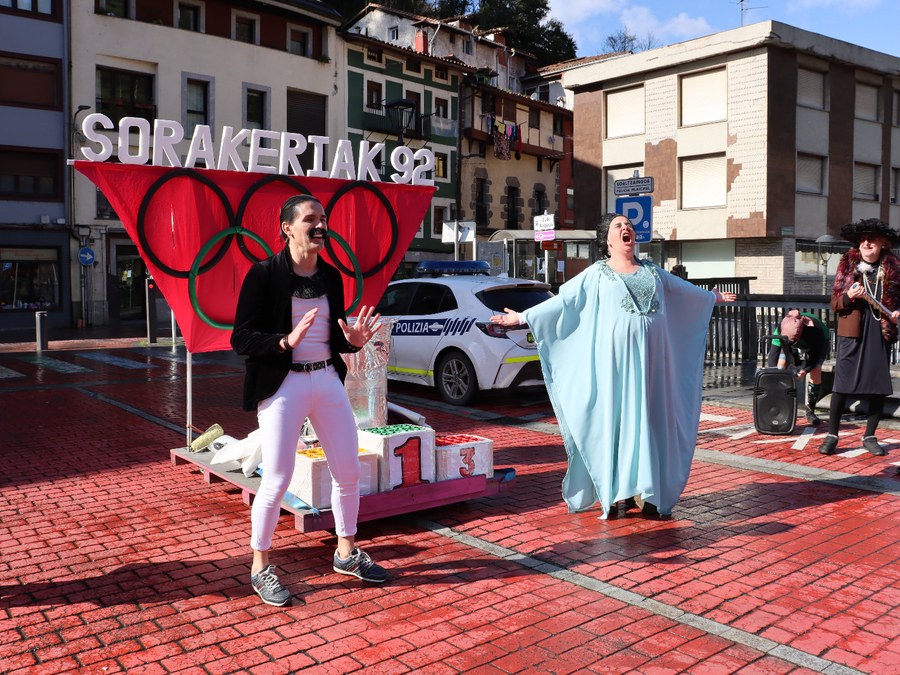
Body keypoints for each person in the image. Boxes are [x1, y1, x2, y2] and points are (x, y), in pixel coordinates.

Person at [491, 213, 736, 519]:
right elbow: (562, 302)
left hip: (653, 368)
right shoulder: (596, 274)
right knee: (619, 423)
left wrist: (711, 297)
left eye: (629, 225)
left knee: (650, 422)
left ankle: (648, 494)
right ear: (606, 239)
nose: (626, 229)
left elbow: (684, 292)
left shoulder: (654, 272)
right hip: (615, 367)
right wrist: (521, 317)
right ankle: (618, 492)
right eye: (618, 226)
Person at [231, 194, 387, 606]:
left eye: (324, 219)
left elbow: (334, 336)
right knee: (277, 478)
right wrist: (285, 341)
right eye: (310, 219)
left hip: (327, 381)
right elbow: (241, 338)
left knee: (349, 470)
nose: (320, 226)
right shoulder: (263, 275)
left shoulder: (331, 277)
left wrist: (351, 342)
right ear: (287, 227)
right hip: (284, 385)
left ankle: (347, 552)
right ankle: (260, 567)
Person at [818, 218, 900, 457]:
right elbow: (835, 303)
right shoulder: (847, 264)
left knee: (876, 387)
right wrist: (849, 297)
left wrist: (897, 312)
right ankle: (832, 435)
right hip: (851, 332)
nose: (866, 243)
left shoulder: (894, 268)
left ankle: (870, 436)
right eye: (863, 239)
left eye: (872, 239)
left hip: (880, 331)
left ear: (883, 243)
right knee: (841, 385)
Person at [766, 309, 829, 425]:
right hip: (791, 345)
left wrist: (805, 370)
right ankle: (781, 404)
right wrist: (774, 377)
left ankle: (810, 410)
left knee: (816, 370)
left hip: (817, 344)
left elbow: (815, 358)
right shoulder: (781, 327)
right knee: (779, 367)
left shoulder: (815, 330)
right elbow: (773, 355)